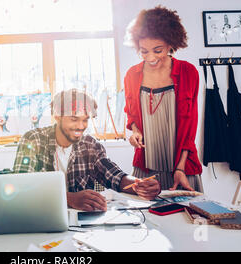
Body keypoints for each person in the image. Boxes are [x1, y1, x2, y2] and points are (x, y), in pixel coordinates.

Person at [12, 89, 161, 212]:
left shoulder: (90, 145)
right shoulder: (33, 140)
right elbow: (21, 188)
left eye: (85, 119)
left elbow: (114, 176)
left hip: (83, 227)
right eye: (74, 119)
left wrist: (139, 184)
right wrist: (69, 198)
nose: (81, 126)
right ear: (57, 117)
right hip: (42, 218)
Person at [123, 5, 203, 192]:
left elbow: (190, 125)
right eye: (144, 51)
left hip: (181, 168)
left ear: (170, 44)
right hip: (146, 168)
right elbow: (132, 115)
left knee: (189, 218)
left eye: (157, 50)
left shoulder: (187, 72)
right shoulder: (132, 75)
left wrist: (180, 168)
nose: (150, 57)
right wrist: (135, 133)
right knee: (146, 218)